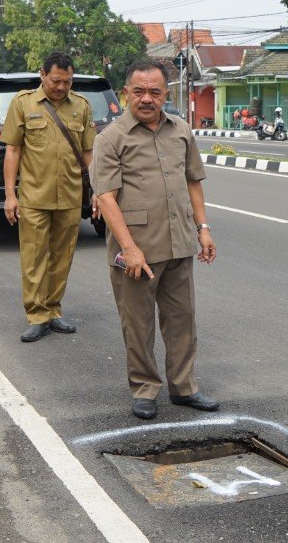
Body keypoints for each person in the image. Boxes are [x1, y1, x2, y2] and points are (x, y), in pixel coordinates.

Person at [90, 58, 219, 420]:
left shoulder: (180, 130)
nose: (147, 98)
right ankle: (144, 388)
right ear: (125, 93)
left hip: (179, 243)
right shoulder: (111, 138)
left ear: (165, 94)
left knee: (182, 319)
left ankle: (184, 387)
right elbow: (105, 197)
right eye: (139, 91)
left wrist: (203, 228)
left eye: (155, 91)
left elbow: (193, 181)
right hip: (138, 250)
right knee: (139, 322)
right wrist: (128, 249)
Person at [1, 51, 97, 343]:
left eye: (67, 82)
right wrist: (10, 195)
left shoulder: (81, 106)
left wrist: (96, 191)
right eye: (56, 80)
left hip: (69, 194)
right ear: (42, 74)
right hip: (33, 195)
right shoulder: (23, 103)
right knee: (33, 257)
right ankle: (37, 314)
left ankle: (54, 309)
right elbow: (13, 150)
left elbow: (88, 152)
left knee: (62, 256)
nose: (61, 87)